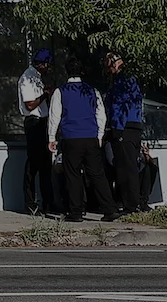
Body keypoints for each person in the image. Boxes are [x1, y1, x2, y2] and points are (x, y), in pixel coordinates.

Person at [48, 57, 117, 222]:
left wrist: (51, 137)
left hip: (71, 137)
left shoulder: (60, 91)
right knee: (97, 174)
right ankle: (110, 209)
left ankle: (76, 212)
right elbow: (101, 115)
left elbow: (54, 116)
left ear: (66, 71)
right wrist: (99, 135)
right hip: (90, 137)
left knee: (73, 175)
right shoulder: (92, 91)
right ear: (82, 71)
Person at [103, 51, 146, 214]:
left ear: (115, 63)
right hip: (135, 127)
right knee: (131, 166)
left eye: (109, 67)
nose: (108, 71)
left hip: (124, 128)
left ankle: (130, 205)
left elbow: (118, 107)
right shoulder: (133, 79)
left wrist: (117, 130)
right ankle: (133, 203)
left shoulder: (121, 81)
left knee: (125, 168)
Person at [18, 49, 57, 216]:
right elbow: (29, 105)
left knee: (45, 164)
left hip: (43, 121)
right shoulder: (27, 78)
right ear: (42, 64)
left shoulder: (37, 77)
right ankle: (30, 203)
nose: (49, 69)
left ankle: (48, 202)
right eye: (48, 65)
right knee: (33, 163)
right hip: (34, 122)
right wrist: (44, 95)